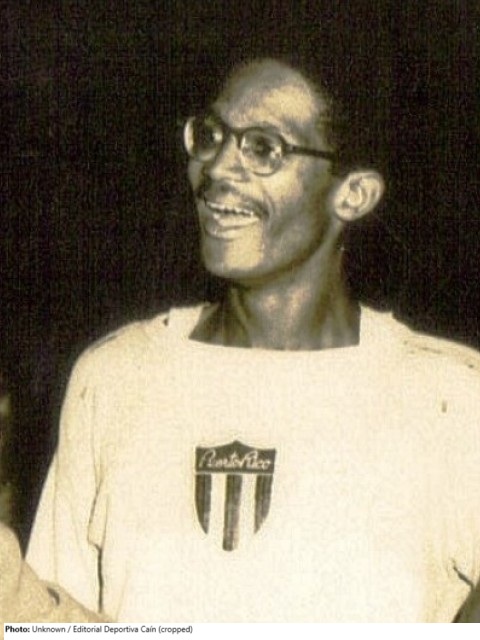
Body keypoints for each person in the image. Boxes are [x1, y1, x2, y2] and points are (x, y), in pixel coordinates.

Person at [26, 57, 480, 622]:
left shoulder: (451, 399)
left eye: (264, 148)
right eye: (210, 136)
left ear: (353, 194)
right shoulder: (115, 376)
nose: (217, 167)